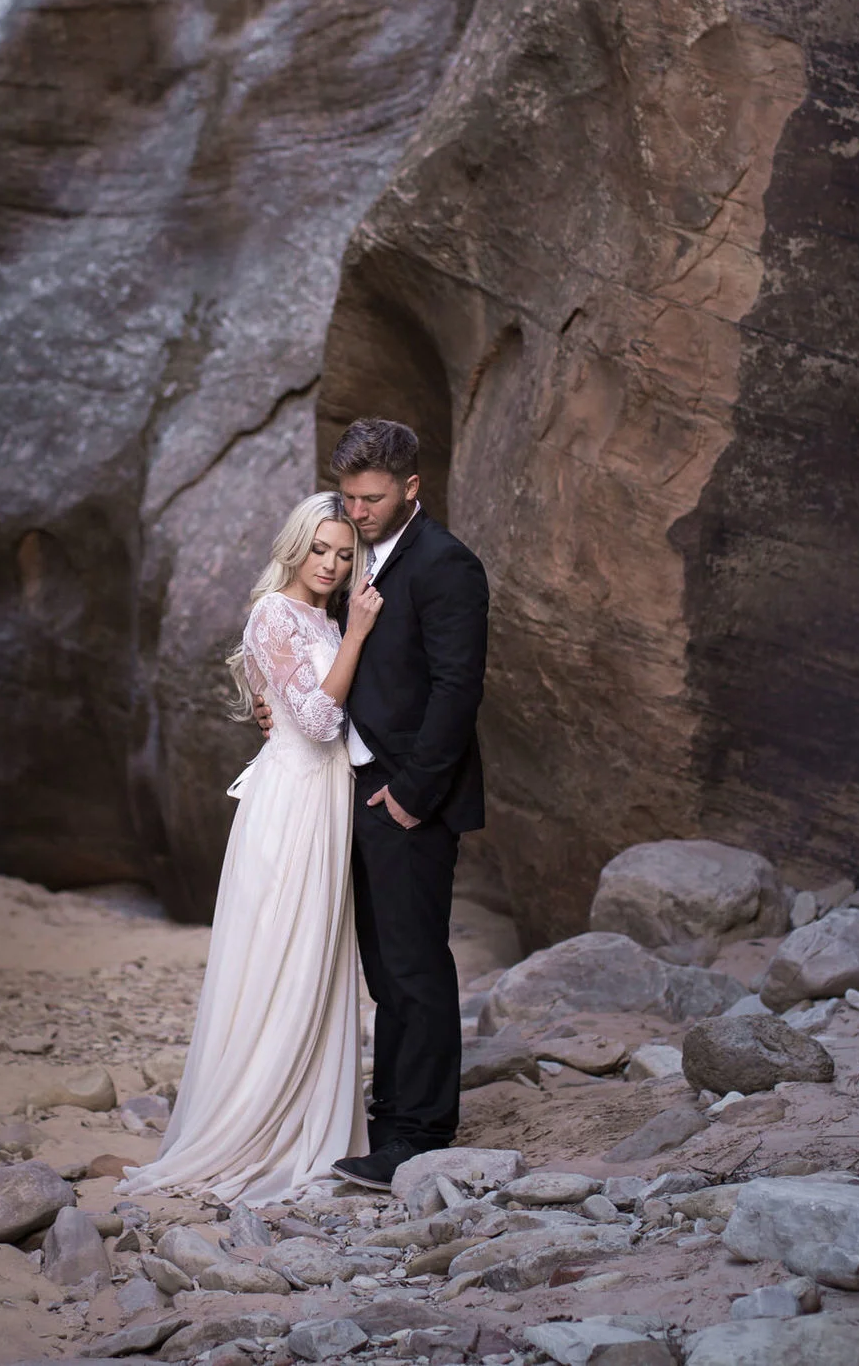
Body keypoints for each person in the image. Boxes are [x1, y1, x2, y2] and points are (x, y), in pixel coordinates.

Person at [117, 492, 384, 1203]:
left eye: (343, 553)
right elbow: (321, 718)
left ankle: (308, 1123)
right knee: (280, 961)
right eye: (319, 548)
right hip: (292, 807)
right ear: (294, 545)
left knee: (317, 962)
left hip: (325, 803)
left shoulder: (320, 617)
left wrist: (346, 635)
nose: (329, 564)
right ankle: (254, 1125)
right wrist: (356, 635)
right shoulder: (273, 614)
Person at [261, 418, 490, 1189]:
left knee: (417, 965)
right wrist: (274, 709)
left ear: (411, 488)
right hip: (350, 794)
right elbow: (321, 662)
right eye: (350, 497)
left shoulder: (447, 564)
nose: (356, 511)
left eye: (372, 497)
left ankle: (423, 1134)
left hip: (408, 798)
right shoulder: (359, 559)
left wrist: (413, 794)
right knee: (383, 971)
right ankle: (389, 1122)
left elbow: (459, 689)